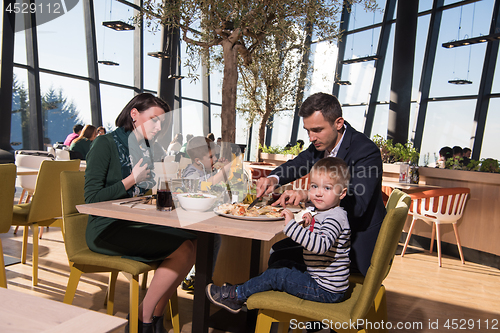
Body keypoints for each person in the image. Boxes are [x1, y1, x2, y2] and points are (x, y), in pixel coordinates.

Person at [84, 93, 196, 333]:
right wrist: (130, 180)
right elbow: (91, 200)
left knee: (195, 239)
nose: (158, 127)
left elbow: (146, 192)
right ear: (134, 114)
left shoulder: (146, 149)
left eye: (162, 123)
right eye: (154, 120)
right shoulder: (105, 144)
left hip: (133, 222)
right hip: (105, 228)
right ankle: (144, 319)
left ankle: (152, 314)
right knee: (184, 248)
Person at [256, 92, 385, 276]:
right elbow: (298, 164)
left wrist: (309, 194)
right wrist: (273, 179)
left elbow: (358, 205)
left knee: (278, 256)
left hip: (353, 246)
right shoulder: (323, 144)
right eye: (307, 130)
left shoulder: (365, 151)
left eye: (317, 130)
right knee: (278, 249)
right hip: (326, 233)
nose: (311, 137)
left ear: (338, 123)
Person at [206, 157, 351, 313]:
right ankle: (246, 289)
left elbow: (320, 246)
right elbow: (321, 236)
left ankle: (235, 296)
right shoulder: (328, 213)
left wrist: (291, 226)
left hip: (325, 290)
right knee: (279, 264)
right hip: (321, 280)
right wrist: (310, 224)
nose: (318, 193)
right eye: (314, 186)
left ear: (342, 193)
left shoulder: (335, 218)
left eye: (327, 188)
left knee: (277, 275)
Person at [180, 136, 233, 290]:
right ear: (197, 160)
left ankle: (201, 277)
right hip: (190, 220)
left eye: (215, 155)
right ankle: (198, 279)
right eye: (211, 157)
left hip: (206, 217)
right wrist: (222, 172)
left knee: (216, 239)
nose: (215, 159)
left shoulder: (206, 169)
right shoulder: (190, 172)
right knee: (212, 239)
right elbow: (201, 186)